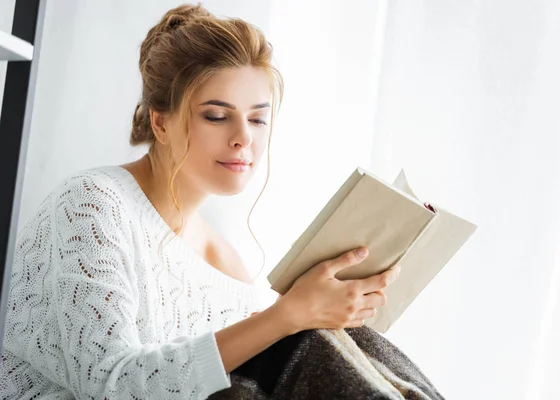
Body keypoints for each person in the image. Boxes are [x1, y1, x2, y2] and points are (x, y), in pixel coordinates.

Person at [0, 4, 443, 399]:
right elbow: (112, 386)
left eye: (258, 118)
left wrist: (329, 306)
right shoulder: (92, 207)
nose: (243, 139)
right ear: (161, 122)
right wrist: (285, 316)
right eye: (216, 115)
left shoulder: (228, 265)